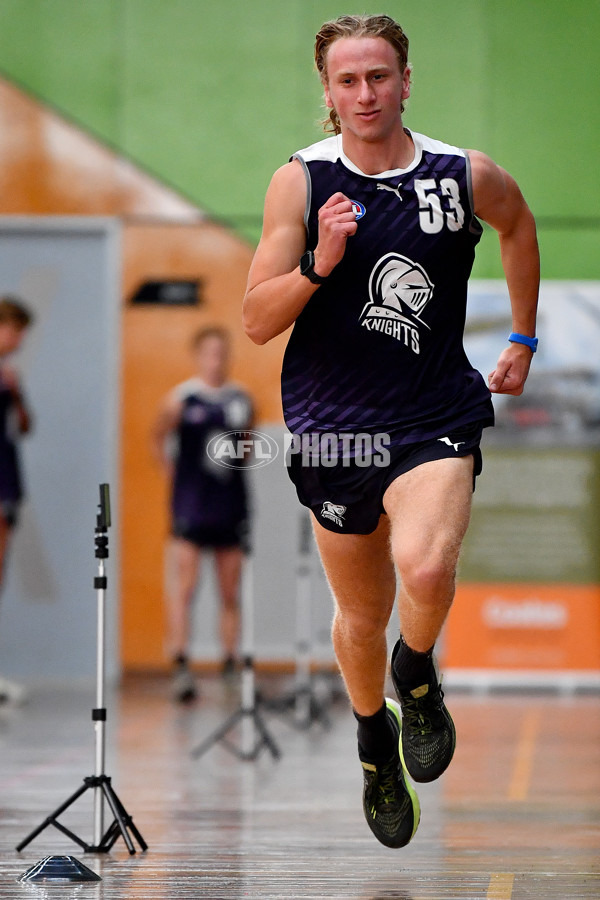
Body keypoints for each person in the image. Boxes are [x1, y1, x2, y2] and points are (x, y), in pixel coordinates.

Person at [243, 14, 539, 848]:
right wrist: (318, 264)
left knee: (428, 563)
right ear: (328, 93)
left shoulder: (460, 174)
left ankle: (418, 673)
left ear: (406, 81)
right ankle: (375, 740)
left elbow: (517, 225)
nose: (364, 94)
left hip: (433, 410)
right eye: (347, 81)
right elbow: (257, 319)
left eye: (378, 77)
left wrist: (520, 336)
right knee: (361, 615)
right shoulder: (299, 183)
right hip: (336, 426)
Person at [153, 326, 253, 703]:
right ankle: (181, 664)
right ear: (198, 356)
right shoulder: (181, 398)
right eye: (209, 352)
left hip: (229, 505)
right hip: (191, 506)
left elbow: (246, 448)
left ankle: (230, 663)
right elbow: (157, 435)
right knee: (185, 587)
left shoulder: (240, 399)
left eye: (221, 352)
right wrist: (172, 474)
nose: (216, 360)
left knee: (230, 590)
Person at [0, 296, 34, 704]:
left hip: (8, 483)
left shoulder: (9, 375)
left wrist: (17, 393)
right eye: (16, 329)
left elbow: (23, 426)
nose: (20, 338)